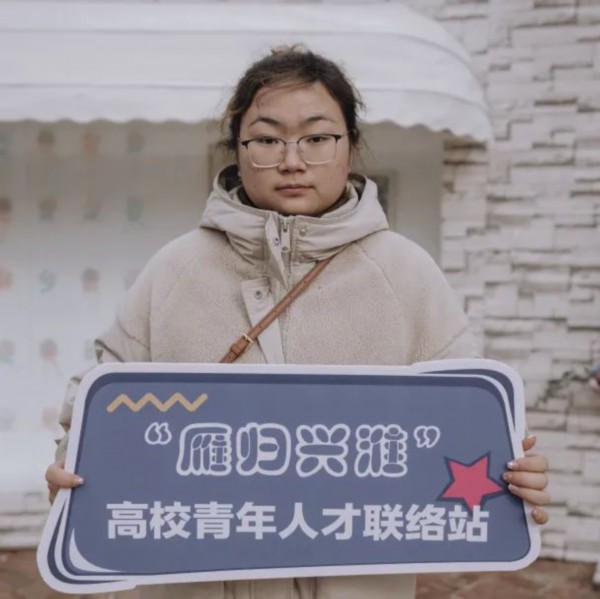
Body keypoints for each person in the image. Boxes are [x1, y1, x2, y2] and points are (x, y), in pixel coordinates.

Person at [46, 46, 550, 599]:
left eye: (317, 137)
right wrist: (73, 469)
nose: (292, 160)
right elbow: (97, 405)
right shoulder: (174, 269)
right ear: (237, 149)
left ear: (350, 145)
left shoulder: (406, 273)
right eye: (267, 140)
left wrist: (511, 478)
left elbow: (470, 424)